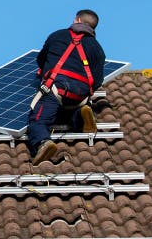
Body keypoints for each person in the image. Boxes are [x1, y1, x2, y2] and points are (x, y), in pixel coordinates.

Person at [28, 9, 106, 165]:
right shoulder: (97, 48)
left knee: (38, 120)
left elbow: (41, 60)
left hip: (57, 87)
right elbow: (98, 80)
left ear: (77, 20)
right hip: (81, 94)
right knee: (70, 110)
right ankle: (81, 115)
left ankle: (43, 143)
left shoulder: (57, 35)